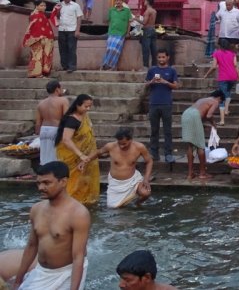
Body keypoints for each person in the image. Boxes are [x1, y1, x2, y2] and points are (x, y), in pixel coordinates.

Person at [14, 161, 90, 290]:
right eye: (38, 183)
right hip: (42, 272)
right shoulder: (36, 209)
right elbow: (32, 246)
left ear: (63, 182)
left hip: (66, 273)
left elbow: (78, 256)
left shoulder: (78, 214)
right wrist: (18, 280)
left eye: (47, 183)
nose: (40, 188)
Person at [79, 127, 152, 208]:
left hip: (133, 180)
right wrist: (85, 161)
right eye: (119, 143)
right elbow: (98, 152)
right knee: (113, 208)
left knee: (146, 193)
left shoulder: (139, 147)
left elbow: (149, 161)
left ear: (130, 140)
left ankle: (137, 203)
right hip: (116, 184)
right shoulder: (110, 146)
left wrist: (146, 179)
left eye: (124, 144)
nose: (121, 146)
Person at [53, 94, 99, 206]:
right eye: (85, 106)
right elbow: (66, 140)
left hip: (86, 156)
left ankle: (86, 203)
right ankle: (68, 204)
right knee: (72, 182)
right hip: (73, 157)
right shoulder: (72, 120)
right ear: (78, 105)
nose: (88, 109)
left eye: (90, 106)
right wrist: (81, 155)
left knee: (85, 181)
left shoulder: (85, 117)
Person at [180, 90, 224, 180]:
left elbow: (202, 113)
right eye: (220, 102)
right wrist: (213, 123)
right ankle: (202, 173)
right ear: (219, 98)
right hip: (194, 115)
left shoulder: (203, 99)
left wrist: (203, 124)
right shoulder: (215, 101)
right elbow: (208, 115)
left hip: (186, 113)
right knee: (200, 146)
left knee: (191, 145)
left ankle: (190, 174)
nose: (219, 103)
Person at [146, 50, 178, 162]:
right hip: (153, 103)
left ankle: (168, 154)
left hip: (166, 104)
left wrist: (165, 82)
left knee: (167, 130)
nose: (161, 59)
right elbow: (146, 85)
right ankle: (154, 153)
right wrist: (152, 81)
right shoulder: (152, 70)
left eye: (163, 57)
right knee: (154, 130)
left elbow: (175, 86)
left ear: (167, 57)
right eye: (159, 57)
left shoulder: (172, 70)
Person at [204, 39, 239, 126]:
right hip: (233, 76)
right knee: (228, 92)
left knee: (221, 98)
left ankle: (222, 120)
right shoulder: (232, 54)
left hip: (223, 77)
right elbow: (236, 65)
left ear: (219, 45)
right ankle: (227, 109)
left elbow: (213, 66)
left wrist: (206, 74)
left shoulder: (217, 53)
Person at [36, 80, 69, 165]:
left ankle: (45, 174)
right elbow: (66, 118)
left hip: (44, 131)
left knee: (45, 156)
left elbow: (38, 123)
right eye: (60, 88)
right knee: (56, 156)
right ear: (57, 89)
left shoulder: (41, 103)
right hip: (56, 130)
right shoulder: (63, 100)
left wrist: (38, 135)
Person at [23, 0, 55, 78]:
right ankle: (36, 73)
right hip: (37, 39)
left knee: (42, 56)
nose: (44, 7)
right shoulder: (35, 15)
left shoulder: (42, 15)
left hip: (44, 38)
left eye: (44, 5)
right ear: (36, 6)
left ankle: (41, 72)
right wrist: (39, 37)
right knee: (37, 56)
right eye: (41, 5)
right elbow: (33, 28)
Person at [100, 0, 132, 71]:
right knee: (109, 49)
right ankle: (105, 65)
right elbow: (109, 21)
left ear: (122, 1)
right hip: (111, 32)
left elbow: (129, 22)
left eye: (119, 0)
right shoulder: (111, 10)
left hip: (121, 33)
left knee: (115, 50)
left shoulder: (127, 11)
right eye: (117, 0)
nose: (118, 2)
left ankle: (112, 66)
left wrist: (128, 33)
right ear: (115, 1)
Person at [54, 0, 82, 73]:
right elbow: (57, 17)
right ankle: (64, 66)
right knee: (62, 49)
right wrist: (58, 9)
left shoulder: (76, 5)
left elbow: (79, 18)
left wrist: (77, 30)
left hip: (72, 30)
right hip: (62, 30)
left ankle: (72, 66)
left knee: (71, 49)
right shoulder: (59, 5)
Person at [139, 0, 158, 70]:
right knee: (153, 49)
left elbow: (144, 22)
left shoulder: (147, 11)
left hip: (147, 30)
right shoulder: (154, 11)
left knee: (146, 49)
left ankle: (145, 66)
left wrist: (135, 19)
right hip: (153, 29)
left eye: (145, 1)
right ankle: (154, 66)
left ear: (147, 2)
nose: (144, 2)